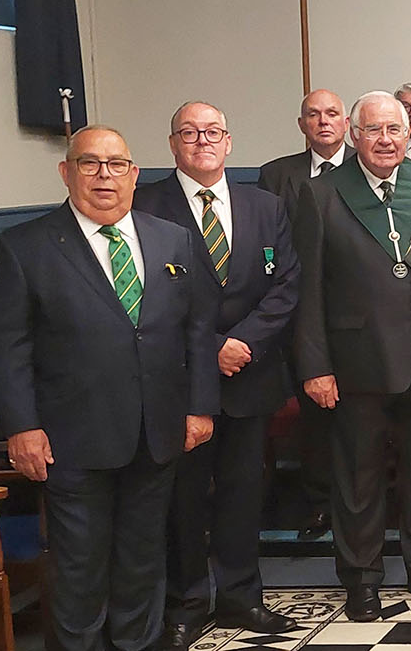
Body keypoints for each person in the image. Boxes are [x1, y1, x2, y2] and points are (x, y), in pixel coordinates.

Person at [0, 125, 218, 651]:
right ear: (66, 173)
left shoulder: (172, 239)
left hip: (156, 433)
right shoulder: (26, 247)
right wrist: (22, 427)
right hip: (74, 440)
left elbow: (198, 331)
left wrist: (200, 407)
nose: (104, 176)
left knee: (141, 559)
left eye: (116, 165)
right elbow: (9, 348)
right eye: (89, 164)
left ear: (135, 175)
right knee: (80, 567)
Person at [293, 91, 411, 621]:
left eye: (394, 130)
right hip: (356, 364)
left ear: (410, 134)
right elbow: (306, 289)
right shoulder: (321, 195)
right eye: (373, 130)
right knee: (359, 478)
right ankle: (361, 576)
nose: (385, 140)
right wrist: (315, 364)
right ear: (354, 135)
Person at [136, 102, 302, 648]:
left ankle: (241, 596)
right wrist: (211, 349)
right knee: (184, 496)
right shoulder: (146, 206)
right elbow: (145, 297)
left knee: (242, 491)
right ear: (172, 143)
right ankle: (185, 602)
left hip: (251, 376)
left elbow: (286, 286)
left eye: (212, 132)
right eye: (190, 132)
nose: (202, 140)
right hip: (182, 382)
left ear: (229, 142)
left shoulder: (265, 204)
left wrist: (244, 342)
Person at [255, 88, 350, 542]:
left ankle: (363, 499)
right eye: (314, 115)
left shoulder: (366, 166)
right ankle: (319, 504)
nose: (323, 122)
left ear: (347, 123)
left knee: (360, 415)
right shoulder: (277, 175)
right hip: (300, 312)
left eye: (332, 113)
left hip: (359, 313)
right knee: (315, 415)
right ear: (302, 125)